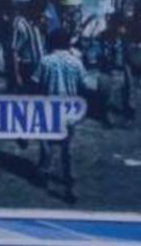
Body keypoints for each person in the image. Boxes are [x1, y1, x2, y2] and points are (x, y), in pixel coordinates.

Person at [32, 28, 88, 203]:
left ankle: (44, 171)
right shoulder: (76, 62)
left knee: (46, 143)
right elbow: (85, 84)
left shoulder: (45, 61)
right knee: (67, 148)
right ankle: (69, 183)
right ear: (68, 43)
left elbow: (35, 83)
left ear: (52, 42)